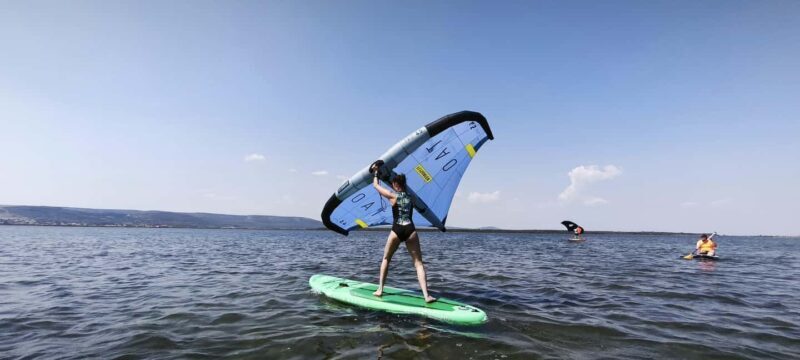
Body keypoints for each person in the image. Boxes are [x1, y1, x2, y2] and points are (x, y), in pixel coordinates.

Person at [370, 163, 436, 303]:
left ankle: (380, 289)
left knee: (386, 259)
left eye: (394, 184)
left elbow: (375, 185)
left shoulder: (392, 196)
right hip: (410, 230)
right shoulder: (412, 197)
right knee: (418, 263)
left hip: (397, 229)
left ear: (395, 184)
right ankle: (426, 296)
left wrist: (376, 172)